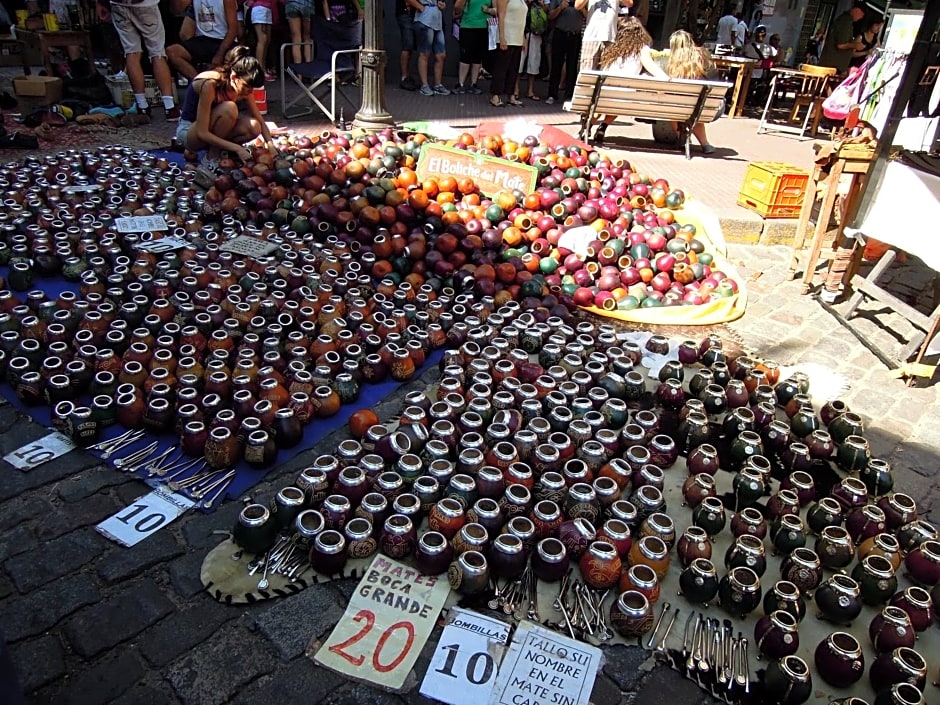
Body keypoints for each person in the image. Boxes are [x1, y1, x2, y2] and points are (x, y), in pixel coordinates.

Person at [175, 45, 274, 170]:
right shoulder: (210, 84)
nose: (250, 91)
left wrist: (271, 148)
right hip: (191, 131)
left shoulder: (243, 87)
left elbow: (259, 119)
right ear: (234, 77)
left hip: (213, 131)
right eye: (247, 87)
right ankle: (211, 158)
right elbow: (202, 132)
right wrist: (237, 148)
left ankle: (222, 151)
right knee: (229, 108)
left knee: (254, 126)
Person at [95, 0, 180, 120]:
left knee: (131, 53)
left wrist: (100, 2)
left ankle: (142, 106)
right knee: (157, 53)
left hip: (119, 4)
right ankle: (170, 107)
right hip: (145, 4)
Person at [591, 16, 667, 143]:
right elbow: (659, 74)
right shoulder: (642, 50)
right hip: (625, 99)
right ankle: (604, 124)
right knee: (623, 94)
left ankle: (586, 127)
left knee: (607, 99)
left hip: (604, 96)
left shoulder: (611, 50)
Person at [666, 29, 718, 153]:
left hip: (680, 106)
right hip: (708, 106)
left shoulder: (674, 63)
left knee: (673, 110)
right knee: (696, 110)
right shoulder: (703, 55)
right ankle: (705, 144)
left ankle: (683, 139)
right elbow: (714, 76)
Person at [167, 0, 240, 80]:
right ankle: (199, 81)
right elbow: (176, 10)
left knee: (233, 57)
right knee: (172, 52)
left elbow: (233, 30)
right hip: (202, 39)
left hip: (223, 40)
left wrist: (219, 55)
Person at [545, 0, 583, 104]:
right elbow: (550, 16)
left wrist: (580, 7)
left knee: (572, 66)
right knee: (556, 65)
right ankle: (552, 94)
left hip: (575, 35)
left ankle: (569, 96)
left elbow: (588, 15)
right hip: (560, 33)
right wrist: (560, 7)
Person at [576, 0, 631, 71]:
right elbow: (577, 5)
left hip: (610, 37)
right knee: (586, 73)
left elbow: (629, 3)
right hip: (592, 36)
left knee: (606, 74)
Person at [489, 0, 526, 106]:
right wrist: (501, 37)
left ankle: (511, 95)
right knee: (501, 68)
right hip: (507, 36)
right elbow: (500, 15)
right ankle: (495, 96)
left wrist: (523, 38)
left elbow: (521, 19)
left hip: (517, 38)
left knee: (514, 69)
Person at [410, 0, 451, 95]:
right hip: (424, 20)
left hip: (437, 21)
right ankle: (424, 85)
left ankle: (437, 85)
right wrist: (420, 7)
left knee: (441, 55)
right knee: (425, 53)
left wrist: (442, 5)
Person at [453, 0, 492, 93]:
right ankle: (460, 84)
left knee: (477, 57)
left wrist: (488, 10)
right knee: (465, 56)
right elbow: (457, 7)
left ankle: (473, 84)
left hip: (484, 26)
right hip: (468, 26)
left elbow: (495, 8)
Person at [818, 0, 865, 74]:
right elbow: (841, 45)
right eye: (862, 14)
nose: (861, 17)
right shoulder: (845, 22)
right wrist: (856, 45)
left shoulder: (845, 20)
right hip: (832, 66)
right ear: (857, 10)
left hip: (833, 65)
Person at [515, 0, 547, 101]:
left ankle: (530, 90)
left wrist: (541, 4)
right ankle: (515, 88)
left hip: (536, 32)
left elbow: (547, 12)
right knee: (519, 61)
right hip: (521, 31)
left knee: (534, 61)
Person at [248, 0, 278, 81]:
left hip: (268, 8)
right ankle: (259, 70)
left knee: (267, 40)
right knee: (262, 39)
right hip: (259, 8)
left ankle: (263, 68)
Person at [395, 0, 419, 89]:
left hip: (413, 13)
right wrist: (421, 8)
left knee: (410, 46)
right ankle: (404, 77)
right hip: (405, 13)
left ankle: (407, 76)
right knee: (408, 44)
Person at [285, 0, 315, 65]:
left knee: (296, 39)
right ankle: (308, 68)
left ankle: (298, 72)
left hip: (292, 3)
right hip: (307, 4)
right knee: (307, 38)